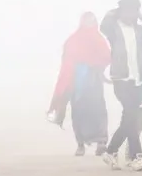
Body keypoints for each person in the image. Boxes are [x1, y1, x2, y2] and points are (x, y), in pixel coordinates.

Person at [99, 0, 142, 172]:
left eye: (134, 11)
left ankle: (111, 151)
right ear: (121, 11)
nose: (131, 15)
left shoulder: (139, 30)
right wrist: (117, 11)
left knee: (129, 119)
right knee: (132, 116)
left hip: (137, 79)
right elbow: (103, 24)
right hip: (121, 79)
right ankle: (136, 157)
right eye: (128, 10)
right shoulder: (113, 28)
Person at [47, 12, 111, 157]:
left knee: (97, 109)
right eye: (87, 21)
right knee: (79, 112)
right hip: (76, 82)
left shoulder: (98, 39)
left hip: (93, 80)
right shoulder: (73, 40)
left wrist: (95, 66)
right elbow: (67, 62)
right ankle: (81, 144)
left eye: (91, 21)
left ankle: (101, 141)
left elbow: (107, 57)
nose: (89, 24)